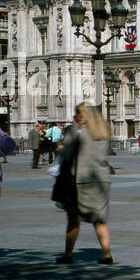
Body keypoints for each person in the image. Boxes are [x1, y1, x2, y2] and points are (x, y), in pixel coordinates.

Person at [54, 103, 114, 265]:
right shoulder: (102, 132)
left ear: (82, 115)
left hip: (81, 180)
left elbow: (66, 154)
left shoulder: (76, 131)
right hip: (102, 181)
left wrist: (59, 147)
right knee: (99, 219)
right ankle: (106, 254)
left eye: (77, 113)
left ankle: (67, 255)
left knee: (73, 219)